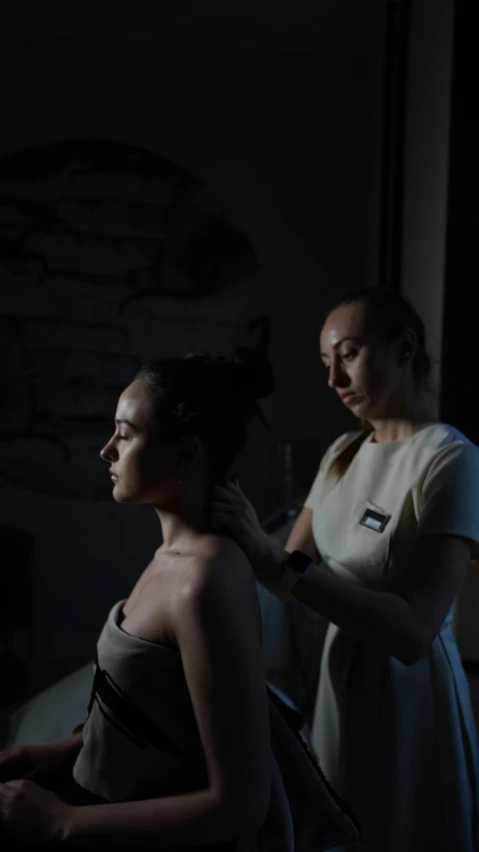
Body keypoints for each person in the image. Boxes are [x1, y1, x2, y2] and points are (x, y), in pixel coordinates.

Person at [0, 349, 359, 850]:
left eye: (125, 435)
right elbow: (158, 713)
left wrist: (61, 822)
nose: (107, 450)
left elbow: (240, 804)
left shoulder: (205, 580)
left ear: (186, 453)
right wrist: (61, 751)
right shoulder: (172, 556)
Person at [212, 289, 479, 852]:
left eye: (350, 354)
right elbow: (282, 578)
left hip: (410, 694)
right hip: (342, 678)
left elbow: (414, 630)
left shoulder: (449, 457)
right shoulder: (341, 453)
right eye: (325, 363)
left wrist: (278, 560)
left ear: (404, 349)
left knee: (397, 829)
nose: (334, 378)